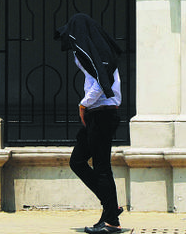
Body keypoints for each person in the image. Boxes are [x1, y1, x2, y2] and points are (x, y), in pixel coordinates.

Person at [55, 13, 124, 234]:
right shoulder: (95, 52)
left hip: (102, 114)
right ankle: (111, 206)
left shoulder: (99, 54)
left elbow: (102, 82)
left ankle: (111, 220)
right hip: (98, 114)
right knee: (77, 161)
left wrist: (83, 104)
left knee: (102, 166)